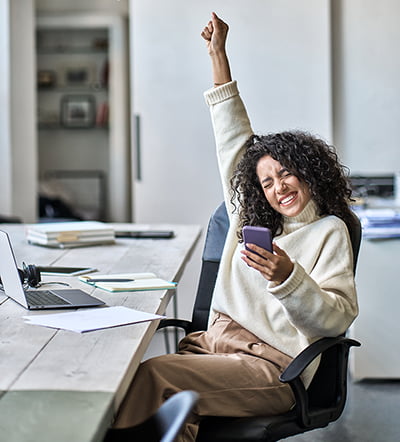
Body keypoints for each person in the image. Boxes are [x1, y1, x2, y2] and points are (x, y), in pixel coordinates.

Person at [108, 12, 358, 442]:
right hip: (212, 346)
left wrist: (289, 279)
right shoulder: (249, 218)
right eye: (267, 182)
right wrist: (218, 53)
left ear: (307, 172)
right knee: (149, 394)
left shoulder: (331, 231)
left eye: (286, 174)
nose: (279, 187)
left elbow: (335, 320)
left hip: (273, 367)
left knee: (156, 376)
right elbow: (232, 137)